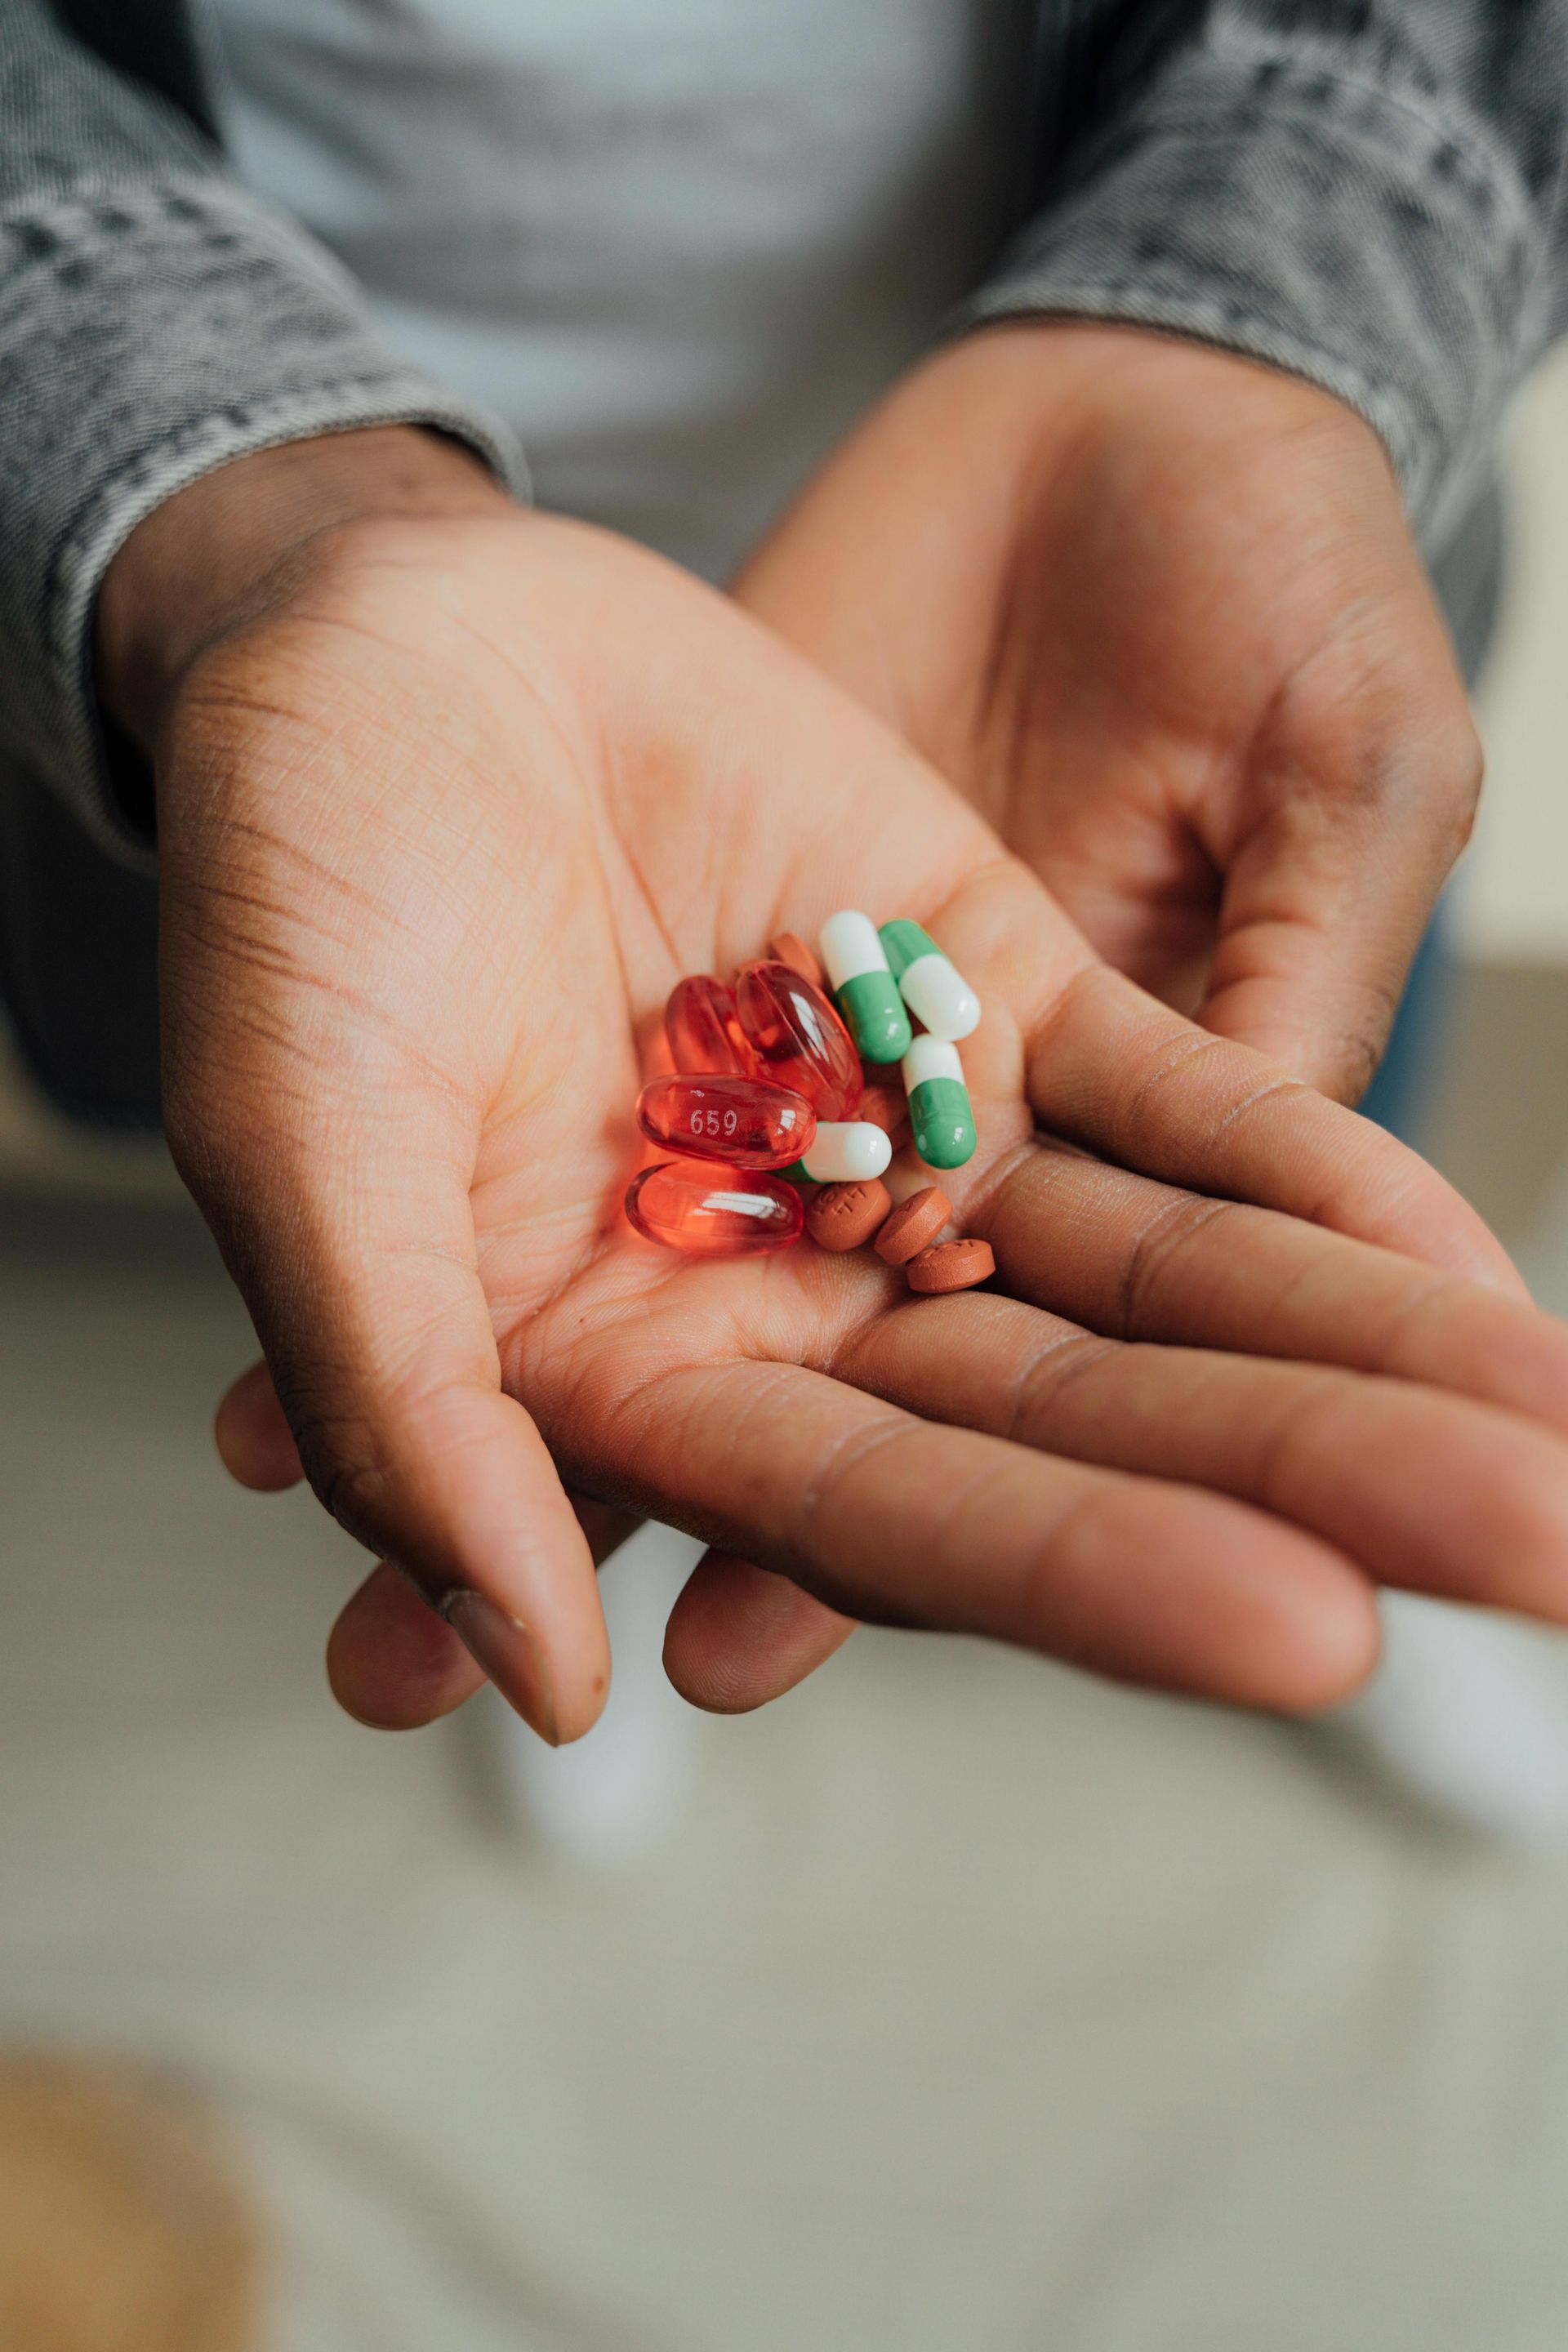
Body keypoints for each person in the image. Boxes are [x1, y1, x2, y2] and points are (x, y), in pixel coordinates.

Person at [5, 0, 1568, 1750]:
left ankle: (1381, 1555)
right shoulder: (804, 1092)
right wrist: (240, 517)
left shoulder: (858, 1077)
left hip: (1089, 573)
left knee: (1287, 1192)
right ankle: (639, 1537)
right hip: (407, 547)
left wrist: (1274, 297)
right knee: (570, 1343)